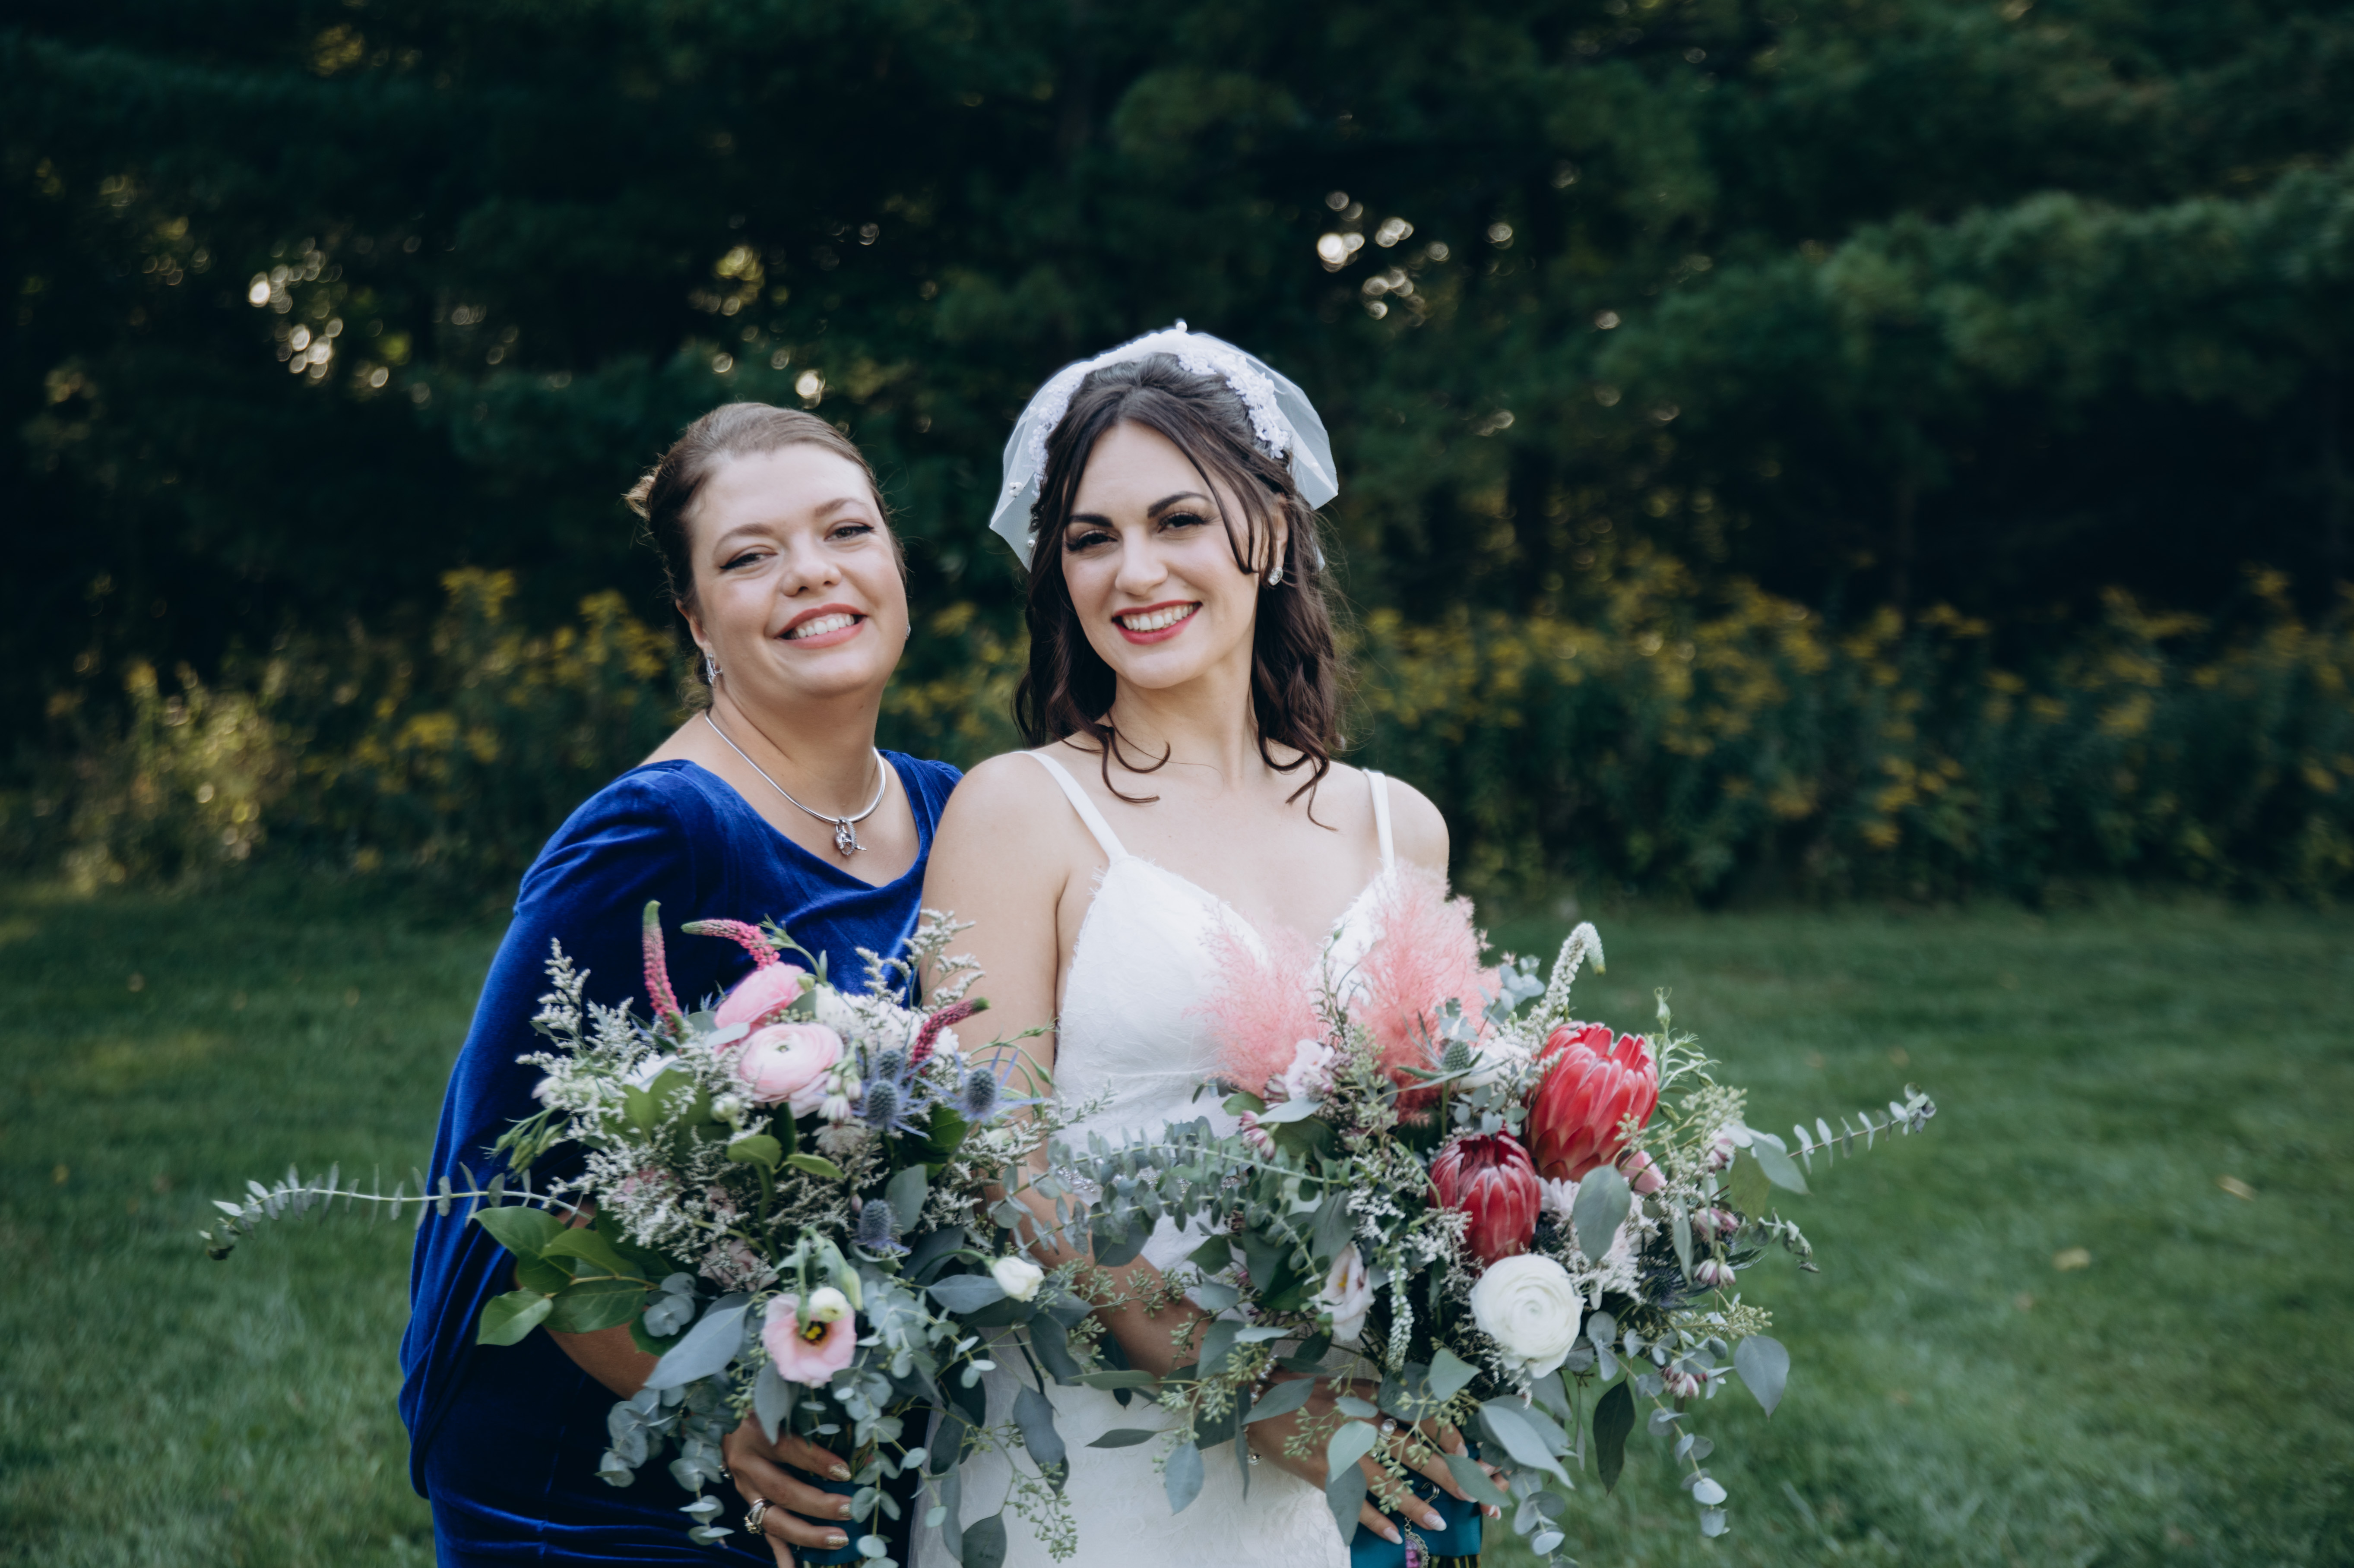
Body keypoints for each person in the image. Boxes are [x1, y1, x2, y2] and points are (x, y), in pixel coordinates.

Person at [915, 329, 1499, 1568]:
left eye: (1178, 520)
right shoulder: (1018, 810)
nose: (1136, 572)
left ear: (1274, 530)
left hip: (1356, 1451)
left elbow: (1441, 1146)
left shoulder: (1399, 824)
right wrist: (1259, 1399)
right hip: (1099, 1464)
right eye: (1091, 538)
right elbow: (999, 1169)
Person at [399, 404, 956, 1567]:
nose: (812, 573)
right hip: (610, 1477)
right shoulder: (658, 834)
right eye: (750, 556)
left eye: (846, 531)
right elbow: (515, 1185)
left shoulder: (953, 810)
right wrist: (734, 1404)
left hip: (852, 1434)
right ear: (696, 619)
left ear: (896, 563)